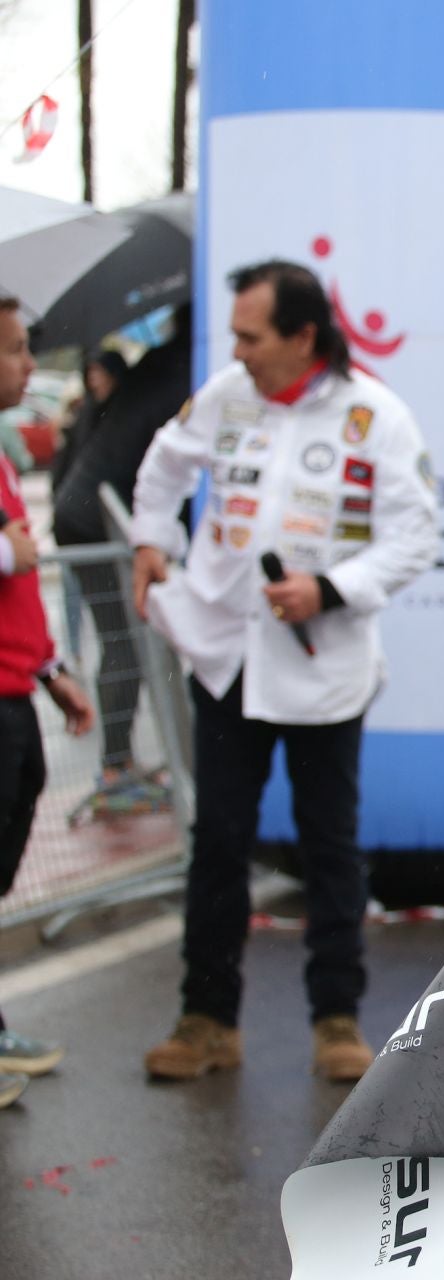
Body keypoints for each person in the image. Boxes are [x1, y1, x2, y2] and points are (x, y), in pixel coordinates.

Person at [129, 261, 438, 1083]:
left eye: (250, 335)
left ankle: (337, 1019)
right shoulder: (228, 393)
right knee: (219, 841)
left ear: (303, 336)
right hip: (226, 659)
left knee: (329, 846)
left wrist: (330, 589)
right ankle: (205, 1020)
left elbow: (416, 537)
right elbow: (161, 467)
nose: (236, 350)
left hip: (322, 670)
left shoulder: (376, 415)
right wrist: (149, 541)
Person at [0, 295, 96, 1109]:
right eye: (13, 352)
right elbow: (14, 559)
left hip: (14, 692)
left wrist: (52, 666)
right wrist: (8, 547)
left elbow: (20, 594)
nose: (28, 368)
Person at [52, 318, 193, 816]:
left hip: (90, 510)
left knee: (134, 641)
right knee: (125, 643)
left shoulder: (160, 363)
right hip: (97, 519)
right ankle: (114, 767)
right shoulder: (186, 372)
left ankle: (128, 760)